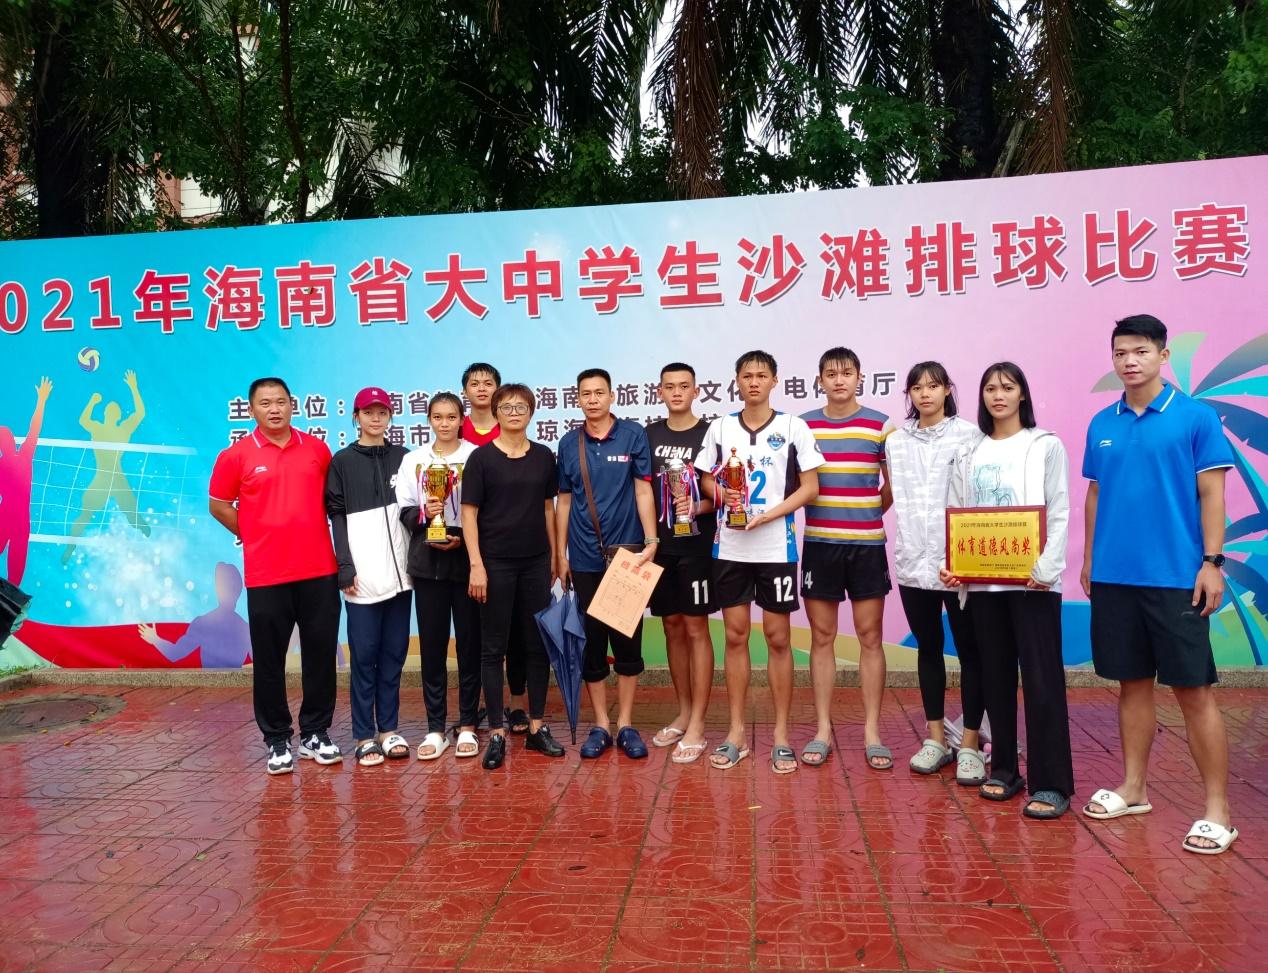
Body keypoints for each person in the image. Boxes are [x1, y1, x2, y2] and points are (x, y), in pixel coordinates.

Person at [1081, 314, 1238, 854]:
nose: (1130, 361)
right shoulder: (1101, 422)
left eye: (1141, 351)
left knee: (1193, 691)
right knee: (1131, 685)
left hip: (1176, 578)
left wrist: (1212, 562)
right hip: (1114, 576)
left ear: (1163, 356)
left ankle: (1218, 811)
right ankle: (1134, 788)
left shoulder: (1195, 417)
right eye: (1121, 352)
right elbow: (1096, 494)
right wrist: (1090, 560)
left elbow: (1212, 493)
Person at [941, 362, 1074, 819]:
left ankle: (1051, 783)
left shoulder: (1044, 445)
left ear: (1023, 394)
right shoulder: (969, 450)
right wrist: (955, 565)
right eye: (990, 388)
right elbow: (957, 510)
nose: (998, 395)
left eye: (1008, 387)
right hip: (983, 583)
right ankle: (1003, 769)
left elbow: (1058, 509)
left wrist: (1045, 567)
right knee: (994, 677)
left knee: (1041, 680)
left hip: (1034, 582)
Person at [209, 377, 342, 775]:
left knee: (321, 655)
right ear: (251, 410)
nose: (274, 409)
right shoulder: (236, 455)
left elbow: (330, 501)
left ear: (292, 405)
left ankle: (315, 732)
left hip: (319, 569)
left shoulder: (316, 449)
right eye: (265, 403)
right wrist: (253, 532)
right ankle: (277, 738)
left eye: (281, 401)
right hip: (267, 574)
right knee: (269, 660)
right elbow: (219, 505)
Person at [698, 350, 822, 774]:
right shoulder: (720, 427)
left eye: (761, 375)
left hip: (775, 548)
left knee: (778, 638)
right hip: (731, 547)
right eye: (747, 375)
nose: (754, 382)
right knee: (735, 636)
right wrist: (723, 495)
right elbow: (705, 478)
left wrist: (772, 514)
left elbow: (810, 487)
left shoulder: (793, 427)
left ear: (774, 381)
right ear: (736, 381)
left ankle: (781, 736)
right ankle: (736, 733)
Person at [887, 362, 987, 782]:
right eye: (917, 387)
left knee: (970, 652)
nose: (925, 393)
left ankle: (970, 744)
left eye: (933, 385)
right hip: (914, 563)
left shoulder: (971, 436)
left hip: (958, 566)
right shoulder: (896, 442)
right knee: (928, 648)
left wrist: (967, 560)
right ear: (909, 394)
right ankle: (935, 739)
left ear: (947, 389)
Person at [799, 348, 895, 770]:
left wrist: (867, 513)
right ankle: (823, 729)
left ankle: (872, 732)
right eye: (831, 374)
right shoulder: (803, 426)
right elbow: (796, 484)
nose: (839, 380)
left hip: (867, 546)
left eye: (847, 373)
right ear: (819, 380)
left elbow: (892, 484)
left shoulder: (881, 425)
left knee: (870, 637)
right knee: (822, 637)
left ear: (860, 378)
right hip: (820, 544)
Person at [557, 368, 659, 760]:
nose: (593, 399)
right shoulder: (569, 443)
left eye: (600, 392)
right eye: (586, 393)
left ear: (612, 396)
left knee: (628, 642)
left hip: (627, 555)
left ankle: (626, 724)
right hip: (584, 558)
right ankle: (600, 723)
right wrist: (560, 554)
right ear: (578, 399)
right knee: (592, 643)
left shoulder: (632, 434)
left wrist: (651, 540)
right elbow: (564, 502)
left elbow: (643, 489)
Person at [462, 383, 564, 769]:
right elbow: (468, 514)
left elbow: (549, 508)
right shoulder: (481, 459)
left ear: (532, 412)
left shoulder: (543, 457)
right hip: (495, 564)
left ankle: (536, 726)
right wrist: (476, 564)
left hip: (536, 562)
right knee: (493, 648)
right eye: (506, 407)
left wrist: (555, 555)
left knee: (537, 645)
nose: (514, 412)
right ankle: (497, 733)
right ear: (496, 413)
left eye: (521, 406)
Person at [326, 387, 412, 768]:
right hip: (362, 579)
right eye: (368, 412)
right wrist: (345, 565)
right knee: (364, 657)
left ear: (390, 416)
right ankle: (363, 735)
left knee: (394, 654)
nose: (376, 418)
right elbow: (337, 515)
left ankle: (388, 730)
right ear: (356, 417)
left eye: (382, 412)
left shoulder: (404, 458)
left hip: (402, 578)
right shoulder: (342, 462)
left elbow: (412, 510)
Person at [397, 392, 481, 761]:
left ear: (462, 419)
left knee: (470, 645)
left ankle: (468, 724)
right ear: (428, 419)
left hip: (467, 561)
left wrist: (464, 541)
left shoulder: (476, 456)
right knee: (432, 647)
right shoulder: (413, 460)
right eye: (437, 417)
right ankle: (435, 727)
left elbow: (486, 509)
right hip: (427, 562)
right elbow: (403, 511)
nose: (444, 423)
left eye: (451, 417)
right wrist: (425, 513)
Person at [645, 363, 716, 764]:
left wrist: (696, 506)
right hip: (660, 546)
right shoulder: (649, 434)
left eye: (683, 386)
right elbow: (640, 491)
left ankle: (699, 724)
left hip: (697, 546)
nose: (676, 392)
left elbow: (722, 491)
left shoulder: (711, 433)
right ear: (659, 391)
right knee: (671, 625)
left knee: (695, 628)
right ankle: (684, 712)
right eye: (669, 386)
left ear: (696, 391)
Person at [460, 362, 529, 734]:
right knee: (480, 636)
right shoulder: (455, 430)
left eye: (489, 383)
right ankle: (478, 708)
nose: (482, 389)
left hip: (512, 553)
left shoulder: (515, 435)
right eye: (475, 383)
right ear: (466, 392)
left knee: (516, 632)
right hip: (467, 551)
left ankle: (516, 706)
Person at [62, 370, 150, 564]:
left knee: (132, 515)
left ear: (116, 415)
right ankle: (71, 545)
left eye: (113, 411)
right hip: (103, 478)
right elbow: (83, 421)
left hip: (115, 477)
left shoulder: (118, 429)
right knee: (85, 514)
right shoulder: (101, 428)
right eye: (109, 411)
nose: (111, 413)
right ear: (107, 415)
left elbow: (140, 414)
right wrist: (92, 402)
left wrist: (134, 388)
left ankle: (141, 525)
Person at [138, 562, 252, 668]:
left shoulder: (204, 623)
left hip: (209, 681)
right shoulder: (246, 628)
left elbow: (175, 653)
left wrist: (155, 639)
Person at [0, 376, 52, 585]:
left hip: (10, 515)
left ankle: (12, 592)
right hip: (17, 516)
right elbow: (34, 430)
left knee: (17, 561)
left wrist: (41, 401)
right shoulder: (23, 456)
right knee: (16, 563)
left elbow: (34, 429)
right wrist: (41, 400)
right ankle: (12, 593)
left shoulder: (17, 459)